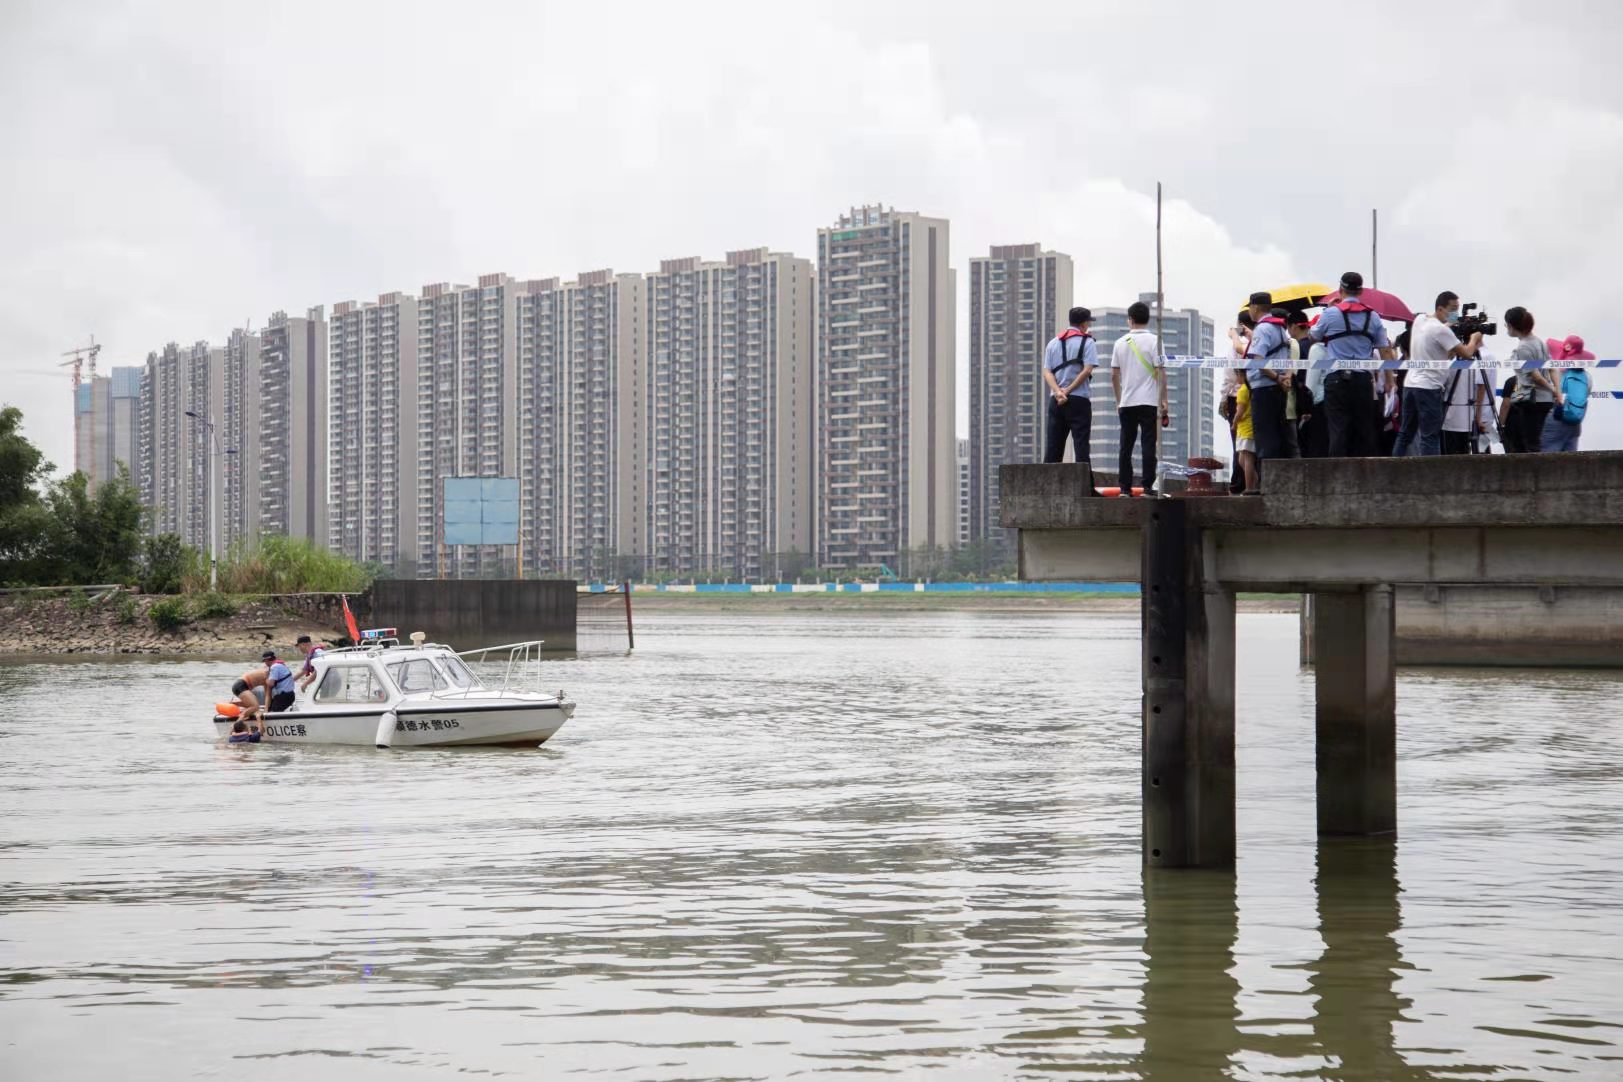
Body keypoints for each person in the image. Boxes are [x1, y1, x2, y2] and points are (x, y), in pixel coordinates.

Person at [1311, 271, 1395, 457]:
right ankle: (1363, 479)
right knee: (1364, 430)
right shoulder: (1372, 317)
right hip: (1363, 380)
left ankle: (1337, 477)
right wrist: (1389, 380)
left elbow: (1314, 336)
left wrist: (1329, 310)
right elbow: (1385, 350)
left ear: (1340, 290)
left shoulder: (1331, 314)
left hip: (1336, 379)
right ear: (1361, 292)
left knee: (1337, 430)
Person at [1399, 293, 1484, 457]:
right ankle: (1431, 477)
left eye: (1457, 309)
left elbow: (1439, 352)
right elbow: (1466, 353)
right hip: (1429, 388)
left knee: (1405, 434)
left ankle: (1392, 472)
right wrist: (1474, 339)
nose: (1455, 313)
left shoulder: (1420, 320)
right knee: (1430, 436)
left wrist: (1450, 325)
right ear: (1440, 308)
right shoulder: (1440, 330)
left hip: (1410, 385)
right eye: (1453, 309)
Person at [1110, 301, 1167, 497]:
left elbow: (1114, 375)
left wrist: (1119, 400)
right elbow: (1161, 373)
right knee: (1148, 444)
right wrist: (1163, 400)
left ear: (1130, 320)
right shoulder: (1155, 341)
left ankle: (1125, 489)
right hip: (1149, 402)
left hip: (1127, 402)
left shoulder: (1120, 343)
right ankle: (1147, 487)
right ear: (1147, 319)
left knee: (1125, 446)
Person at [1043, 306, 1100, 484]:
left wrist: (1058, 392)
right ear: (1084, 324)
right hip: (1079, 400)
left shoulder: (1053, 343)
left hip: (1056, 401)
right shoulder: (1088, 342)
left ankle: (1047, 484)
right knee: (1081, 444)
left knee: (1053, 445)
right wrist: (1068, 390)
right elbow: (1087, 370)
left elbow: (1047, 372)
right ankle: (1085, 486)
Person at [1242, 292, 1292, 476]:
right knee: (1278, 434)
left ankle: (1267, 481)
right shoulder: (1280, 328)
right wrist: (1285, 378)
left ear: (1255, 308)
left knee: (1264, 437)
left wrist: (1277, 378)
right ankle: (1278, 479)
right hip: (1278, 389)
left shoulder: (1262, 329)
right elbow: (1287, 359)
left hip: (1264, 389)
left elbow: (1258, 360)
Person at [1505, 306, 1556, 453]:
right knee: (1536, 440)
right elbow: (1552, 368)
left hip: (1532, 399)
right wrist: (1556, 391)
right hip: (1545, 399)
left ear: (1512, 326)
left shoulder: (1523, 348)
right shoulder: (1540, 342)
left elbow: (1535, 376)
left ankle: (1534, 475)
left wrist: (1552, 390)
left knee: (1529, 443)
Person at [1541, 338, 1592, 452]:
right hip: (1575, 421)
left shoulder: (1555, 372)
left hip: (1555, 419)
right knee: (1571, 462)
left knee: (1547, 460)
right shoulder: (1587, 377)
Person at [1233, 380, 1258, 494]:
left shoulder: (1243, 390)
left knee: (1247, 459)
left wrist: (1234, 423)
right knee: (1242, 460)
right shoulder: (1251, 388)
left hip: (1246, 429)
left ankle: (1250, 488)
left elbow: (1240, 412)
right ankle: (1255, 484)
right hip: (1247, 429)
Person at [262, 649, 296, 714]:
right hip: (290, 695)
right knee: (270, 709)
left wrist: (266, 677)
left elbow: (271, 684)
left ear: (266, 660)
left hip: (284, 696)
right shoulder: (281, 665)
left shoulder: (274, 667)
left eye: (264, 661)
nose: (265, 663)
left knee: (272, 713)